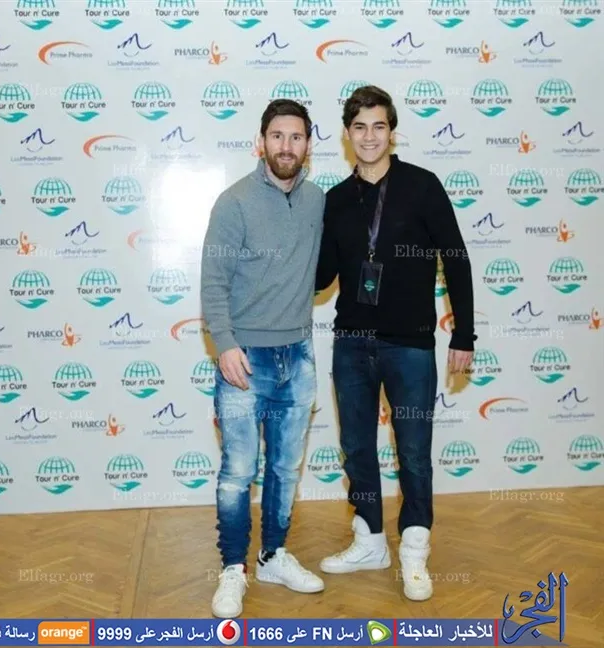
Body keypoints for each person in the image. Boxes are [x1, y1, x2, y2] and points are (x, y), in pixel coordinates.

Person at [315, 85, 475, 601]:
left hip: (410, 346)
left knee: (414, 452)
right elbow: (321, 278)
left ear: (392, 132)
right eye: (359, 127)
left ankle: (414, 548)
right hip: (351, 344)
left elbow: (457, 260)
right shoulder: (335, 200)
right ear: (347, 134)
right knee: (358, 448)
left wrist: (464, 333)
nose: (369, 136)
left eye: (378, 126)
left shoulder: (422, 186)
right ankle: (369, 541)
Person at [200, 99, 326, 618]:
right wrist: (225, 344)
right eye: (277, 136)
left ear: (308, 146)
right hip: (244, 359)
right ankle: (234, 568)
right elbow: (213, 282)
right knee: (238, 471)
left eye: (296, 137)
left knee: (284, 468)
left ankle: (273, 555)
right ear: (261, 142)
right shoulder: (233, 202)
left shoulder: (318, 200)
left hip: (298, 356)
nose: (286, 146)